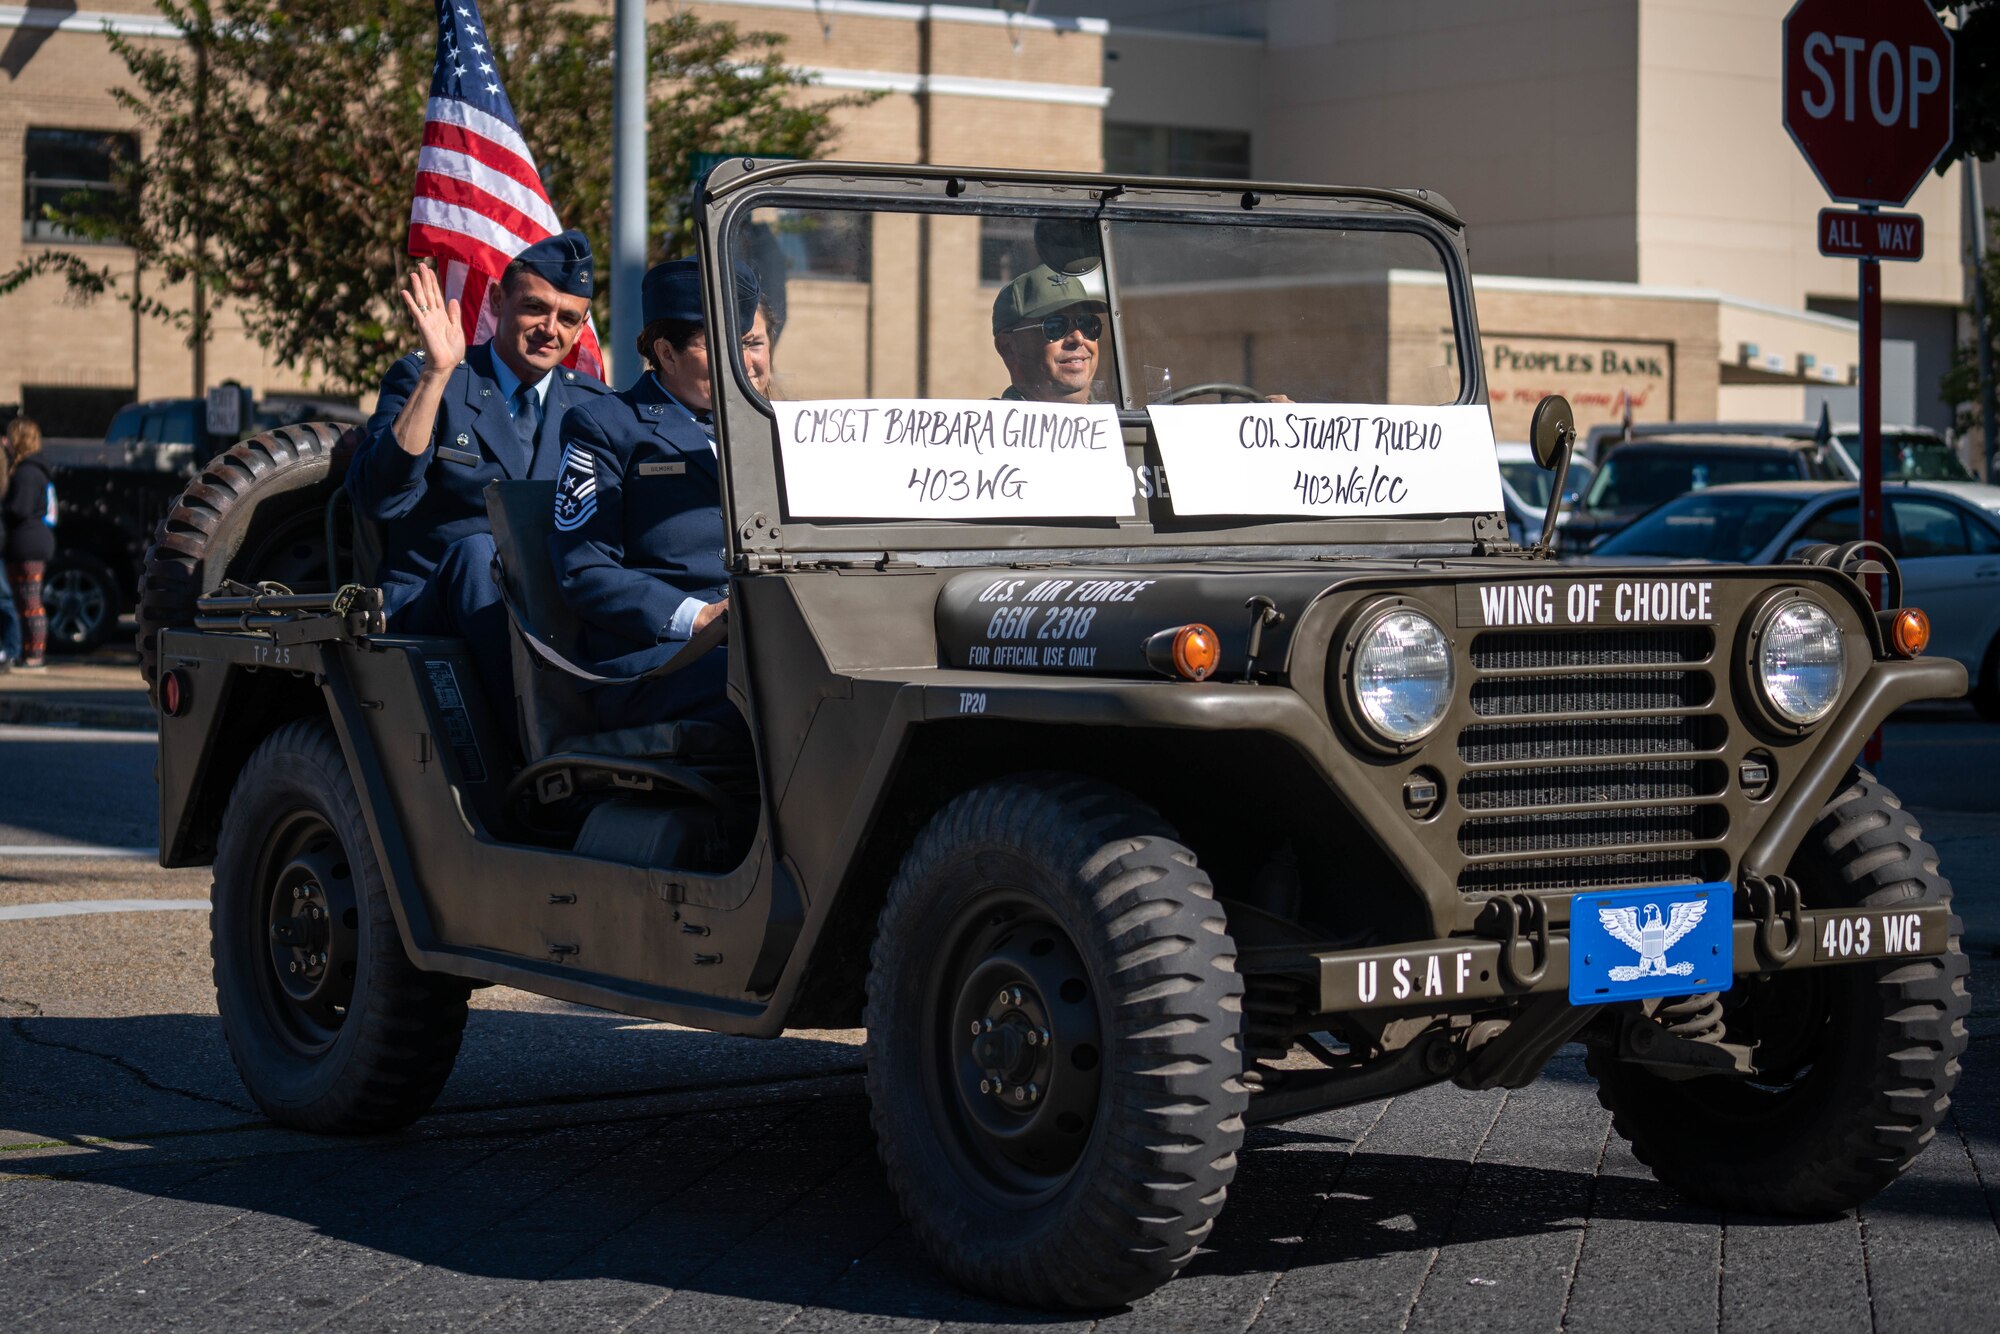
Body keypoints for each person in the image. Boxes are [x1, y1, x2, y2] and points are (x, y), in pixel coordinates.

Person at [345, 230, 611, 720]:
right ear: (495, 299)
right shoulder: (434, 379)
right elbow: (379, 500)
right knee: (479, 554)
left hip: (553, 612)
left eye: (568, 318)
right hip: (431, 606)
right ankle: (534, 745)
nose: (550, 329)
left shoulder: (593, 407)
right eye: (535, 307)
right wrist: (436, 375)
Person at [548, 258, 763, 734]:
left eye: (745, 343)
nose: (740, 362)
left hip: (761, 640)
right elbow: (584, 569)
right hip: (656, 661)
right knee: (781, 685)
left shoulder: (766, 429)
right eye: (718, 346)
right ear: (666, 353)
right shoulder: (605, 426)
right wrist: (699, 617)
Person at [990, 264, 1108, 404]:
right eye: (1055, 326)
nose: (1078, 337)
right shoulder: (992, 424)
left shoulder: (1123, 423)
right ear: (1008, 347)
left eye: (1087, 323)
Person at [4, 416, 56, 670]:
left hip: (28, 542)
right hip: (32, 540)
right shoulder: (37, 469)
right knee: (26, 601)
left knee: (30, 602)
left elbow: (20, 508)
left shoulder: (26, 472)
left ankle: (35, 654)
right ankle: (29, 652)